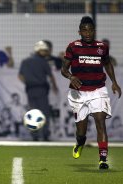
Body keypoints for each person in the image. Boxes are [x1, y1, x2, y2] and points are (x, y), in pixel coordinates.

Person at [61, 16, 121, 169]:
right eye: (84, 30)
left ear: (94, 31)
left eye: (90, 30)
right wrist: (71, 76)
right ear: (79, 31)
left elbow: (107, 64)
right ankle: (80, 142)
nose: (87, 33)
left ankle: (103, 159)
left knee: (101, 122)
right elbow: (63, 69)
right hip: (78, 92)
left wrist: (114, 82)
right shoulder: (73, 47)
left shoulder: (102, 46)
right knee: (81, 131)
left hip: (97, 90)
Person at [19, 40, 58, 141]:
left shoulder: (25, 61)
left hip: (30, 90)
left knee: (32, 113)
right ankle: (45, 134)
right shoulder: (43, 62)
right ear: (38, 50)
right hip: (41, 90)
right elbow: (50, 76)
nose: (46, 53)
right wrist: (54, 87)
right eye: (44, 51)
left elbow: (20, 76)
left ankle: (34, 135)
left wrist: (28, 82)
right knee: (44, 112)